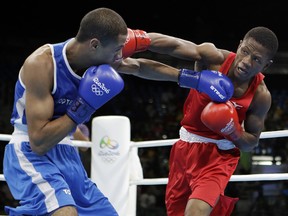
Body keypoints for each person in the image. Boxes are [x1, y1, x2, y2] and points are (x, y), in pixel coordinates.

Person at [3, 7, 234, 216]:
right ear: (94, 44)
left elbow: (139, 66)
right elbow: (39, 142)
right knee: (65, 214)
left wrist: (193, 79)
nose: (120, 55)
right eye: (117, 50)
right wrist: (84, 106)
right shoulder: (42, 65)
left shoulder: (103, 55)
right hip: (30, 152)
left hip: (66, 151)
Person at [125, 26, 277, 216]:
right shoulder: (214, 58)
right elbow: (175, 45)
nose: (246, 62)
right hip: (184, 149)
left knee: (195, 212)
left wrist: (233, 130)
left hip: (219, 157)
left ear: (266, 66)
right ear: (239, 46)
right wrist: (138, 39)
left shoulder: (260, 95)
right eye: (245, 51)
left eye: (256, 60)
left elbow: (252, 142)